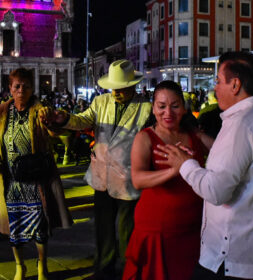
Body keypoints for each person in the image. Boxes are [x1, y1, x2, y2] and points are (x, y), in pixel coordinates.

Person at [155, 51, 253, 279]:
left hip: (236, 255)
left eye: (218, 81)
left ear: (235, 85)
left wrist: (185, 164)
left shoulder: (243, 124)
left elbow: (217, 191)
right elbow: (238, 161)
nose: (214, 88)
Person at [40, 60, 152, 279]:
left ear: (132, 86)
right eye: (113, 87)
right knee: (103, 228)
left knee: (127, 228)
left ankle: (129, 269)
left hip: (129, 177)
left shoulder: (146, 107)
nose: (116, 92)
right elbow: (82, 121)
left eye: (120, 88)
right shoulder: (100, 101)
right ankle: (104, 267)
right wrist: (62, 117)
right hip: (102, 176)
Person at [122, 81, 212, 280]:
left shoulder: (193, 135)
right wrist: (176, 169)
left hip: (194, 226)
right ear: (153, 108)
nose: (168, 112)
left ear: (184, 107)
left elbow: (223, 154)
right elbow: (138, 179)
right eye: (161, 106)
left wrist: (197, 134)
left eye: (175, 105)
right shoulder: (145, 138)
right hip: (158, 228)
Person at [0, 68, 72, 280]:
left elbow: (55, 132)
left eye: (27, 86)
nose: (22, 90)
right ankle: (19, 266)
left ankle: (42, 266)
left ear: (33, 88)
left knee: (40, 227)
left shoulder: (40, 110)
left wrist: (51, 121)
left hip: (35, 179)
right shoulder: (3, 111)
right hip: (12, 181)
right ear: (10, 89)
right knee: (15, 228)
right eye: (17, 86)